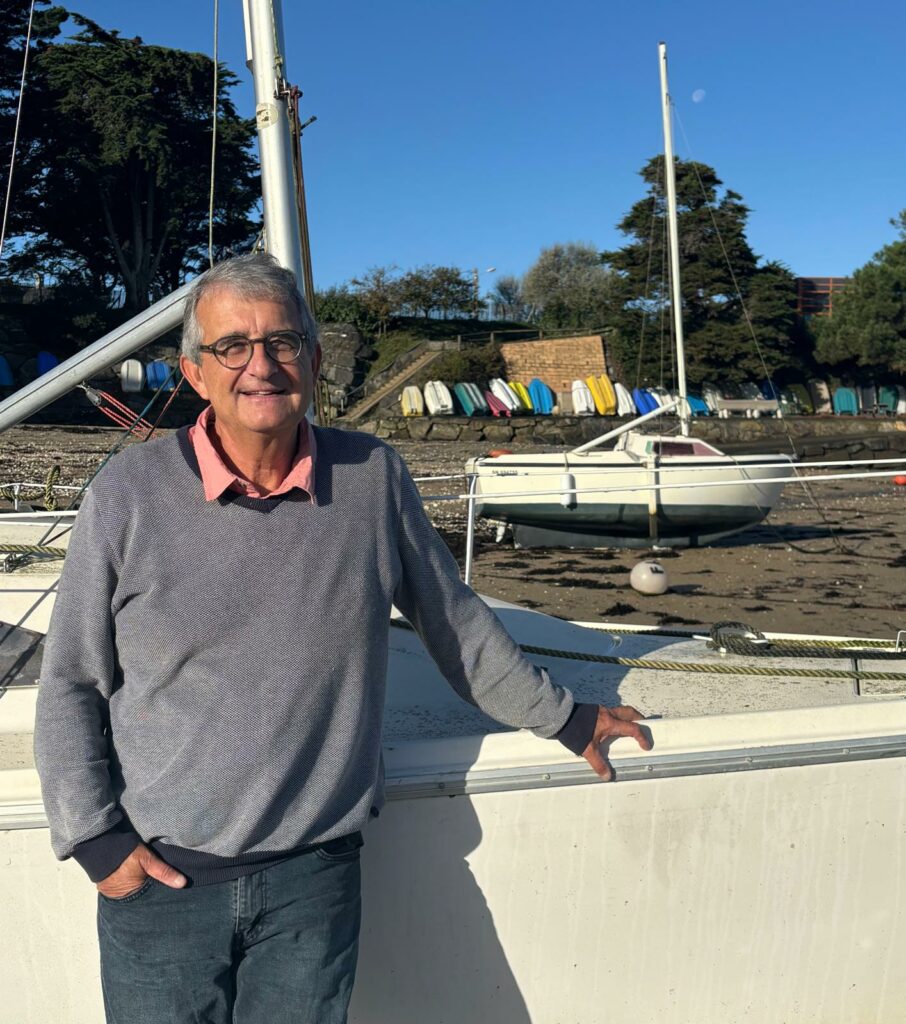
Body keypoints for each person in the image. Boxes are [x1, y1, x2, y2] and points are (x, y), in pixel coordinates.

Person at [34, 253, 650, 1024]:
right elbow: (72, 681)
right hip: (160, 886)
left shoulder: (371, 478)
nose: (261, 366)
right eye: (233, 346)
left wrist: (566, 717)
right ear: (195, 372)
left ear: (315, 360)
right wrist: (95, 842)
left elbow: (452, 621)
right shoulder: (127, 494)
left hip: (313, 882)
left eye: (282, 342)